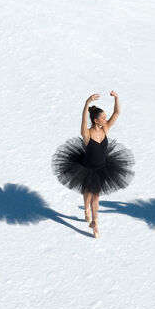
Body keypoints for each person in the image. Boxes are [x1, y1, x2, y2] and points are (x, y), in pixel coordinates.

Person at [52, 91, 134, 238]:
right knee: (87, 192)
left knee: (95, 196)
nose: (105, 119)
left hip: (102, 168)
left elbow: (117, 112)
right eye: (103, 118)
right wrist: (86, 103)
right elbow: (83, 122)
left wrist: (116, 98)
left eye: (105, 117)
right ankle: (86, 211)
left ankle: (95, 222)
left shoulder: (105, 129)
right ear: (96, 120)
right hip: (86, 168)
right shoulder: (87, 134)